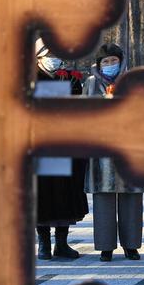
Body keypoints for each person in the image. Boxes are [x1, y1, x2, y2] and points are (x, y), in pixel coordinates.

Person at [84, 43, 144, 261]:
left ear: (121, 61)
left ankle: (131, 245)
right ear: (99, 65)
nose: (110, 65)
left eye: (114, 61)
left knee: (130, 197)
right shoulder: (90, 84)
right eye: (105, 62)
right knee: (104, 198)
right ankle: (105, 245)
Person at [32, 39, 88, 261]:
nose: (54, 59)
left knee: (66, 194)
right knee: (43, 195)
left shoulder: (72, 79)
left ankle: (62, 242)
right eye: (50, 54)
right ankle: (43, 243)